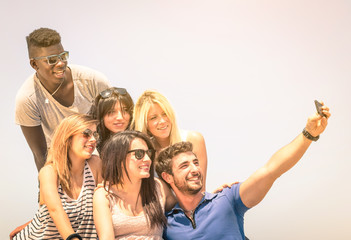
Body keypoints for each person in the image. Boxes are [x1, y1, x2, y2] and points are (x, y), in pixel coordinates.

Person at [155, 103, 330, 240]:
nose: (195, 169)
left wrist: (308, 134)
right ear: (167, 177)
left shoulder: (226, 200)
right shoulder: (166, 224)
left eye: (195, 162)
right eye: (184, 166)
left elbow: (272, 170)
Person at [15, 27, 110, 171]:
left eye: (63, 56)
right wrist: (47, 186)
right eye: (52, 60)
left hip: (98, 160)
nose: (60, 63)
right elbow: (40, 154)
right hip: (59, 166)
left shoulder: (93, 81)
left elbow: (114, 128)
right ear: (34, 64)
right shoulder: (27, 99)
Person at [13, 114, 102, 240]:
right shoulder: (49, 172)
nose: (93, 139)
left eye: (95, 135)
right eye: (86, 134)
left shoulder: (95, 164)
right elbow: (55, 211)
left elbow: (106, 205)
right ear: (68, 138)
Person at [93, 131, 176, 240]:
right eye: (139, 154)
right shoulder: (104, 195)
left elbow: (183, 210)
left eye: (149, 153)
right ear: (119, 158)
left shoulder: (158, 187)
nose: (147, 159)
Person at [132, 90, 208, 188]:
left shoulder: (194, 139)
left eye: (165, 114)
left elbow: (201, 189)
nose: (162, 121)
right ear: (145, 124)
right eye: (153, 118)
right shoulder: (146, 153)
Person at [89, 87, 134, 153]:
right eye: (111, 112)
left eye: (125, 110)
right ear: (100, 116)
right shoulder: (91, 146)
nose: (120, 117)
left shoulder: (140, 143)